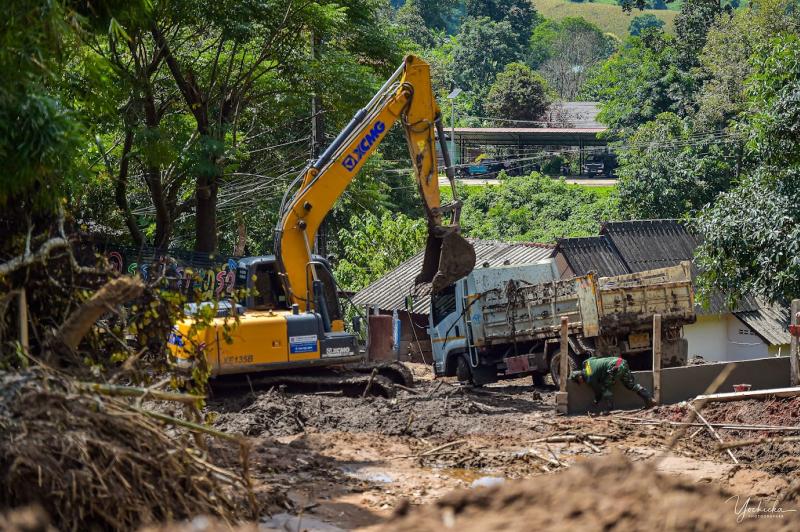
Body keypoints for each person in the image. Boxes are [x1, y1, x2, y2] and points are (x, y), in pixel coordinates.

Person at [569, 356, 656, 414]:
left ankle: (609, 409)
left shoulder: (590, 378)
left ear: (579, 377)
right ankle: (649, 399)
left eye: (578, 381)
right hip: (621, 362)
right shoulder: (587, 363)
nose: (579, 383)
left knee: (605, 386)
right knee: (630, 385)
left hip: (614, 369)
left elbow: (598, 392)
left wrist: (596, 401)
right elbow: (594, 359)